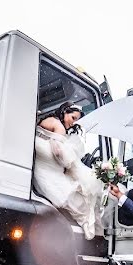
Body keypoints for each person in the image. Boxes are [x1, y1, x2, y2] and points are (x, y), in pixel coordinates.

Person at [32, 102, 105, 239]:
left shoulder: (44, 122)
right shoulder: (59, 127)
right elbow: (62, 158)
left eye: (76, 120)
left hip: (40, 173)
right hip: (49, 175)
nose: (73, 123)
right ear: (64, 112)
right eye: (73, 118)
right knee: (81, 202)